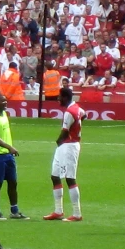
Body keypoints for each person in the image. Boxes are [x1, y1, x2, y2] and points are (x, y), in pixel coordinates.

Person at [44, 87, 85, 222]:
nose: (58, 99)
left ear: (65, 98)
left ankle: (77, 213)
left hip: (69, 146)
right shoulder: (77, 108)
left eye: (60, 97)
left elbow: (64, 132)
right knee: (55, 175)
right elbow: (84, 115)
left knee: (69, 178)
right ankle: (58, 211)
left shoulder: (69, 112)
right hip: (65, 146)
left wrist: (58, 141)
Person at [0, 93, 29, 220]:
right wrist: (9, 147)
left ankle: (14, 211)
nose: (5, 103)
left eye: (6, 101)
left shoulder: (4, 114)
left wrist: (9, 149)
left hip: (8, 155)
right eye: (2, 101)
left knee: (13, 182)